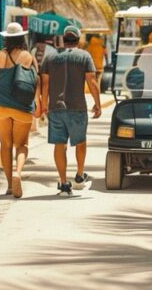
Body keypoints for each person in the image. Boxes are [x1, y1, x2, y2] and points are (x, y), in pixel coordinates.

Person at [39, 26, 102, 194]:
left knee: (60, 145)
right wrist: (97, 103)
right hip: (77, 107)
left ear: (63, 39)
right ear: (78, 40)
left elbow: (44, 83)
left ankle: (63, 182)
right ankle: (80, 175)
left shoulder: (50, 57)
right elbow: (92, 81)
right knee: (80, 141)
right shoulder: (84, 56)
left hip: (56, 108)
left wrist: (44, 104)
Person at [0, 22, 37, 198]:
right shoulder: (28, 56)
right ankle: (18, 173)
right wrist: (38, 105)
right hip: (21, 106)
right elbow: (34, 84)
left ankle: (8, 185)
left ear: (5, 38)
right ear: (22, 37)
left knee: (5, 144)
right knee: (21, 145)